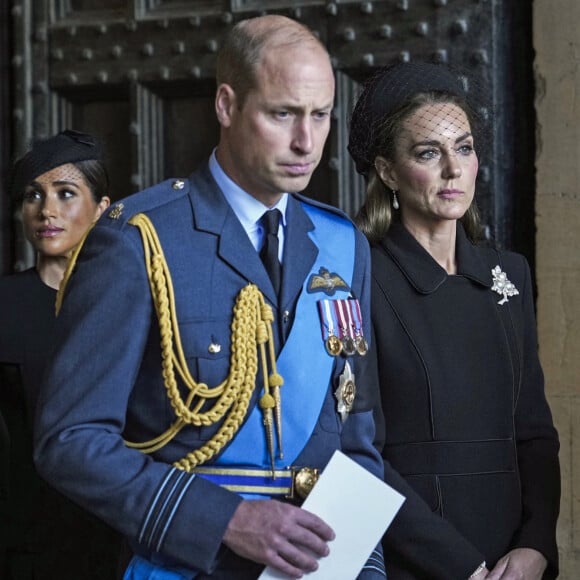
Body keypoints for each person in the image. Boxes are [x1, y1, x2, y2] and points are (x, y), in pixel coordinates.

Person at [33, 15, 386, 580]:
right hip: (187, 564)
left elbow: (359, 438)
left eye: (320, 116)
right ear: (226, 106)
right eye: (283, 114)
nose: (306, 141)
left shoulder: (342, 245)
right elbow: (70, 442)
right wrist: (226, 520)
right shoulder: (138, 240)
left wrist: (362, 568)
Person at [348, 61, 561, 579]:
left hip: (514, 562)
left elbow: (534, 433)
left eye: (464, 149)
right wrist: (461, 566)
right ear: (387, 170)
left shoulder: (508, 273)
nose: (453, 170)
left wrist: (535, 545)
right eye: (428, 153)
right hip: (413, 560)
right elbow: (358, 454)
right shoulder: (359, 277)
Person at [0, 129, 122, 579]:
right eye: (33, 195)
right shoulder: (5, 304)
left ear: (102, 209)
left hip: (119, 536)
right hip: (25, 545)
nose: (46, 210)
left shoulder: (131, 306)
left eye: (65, 193)